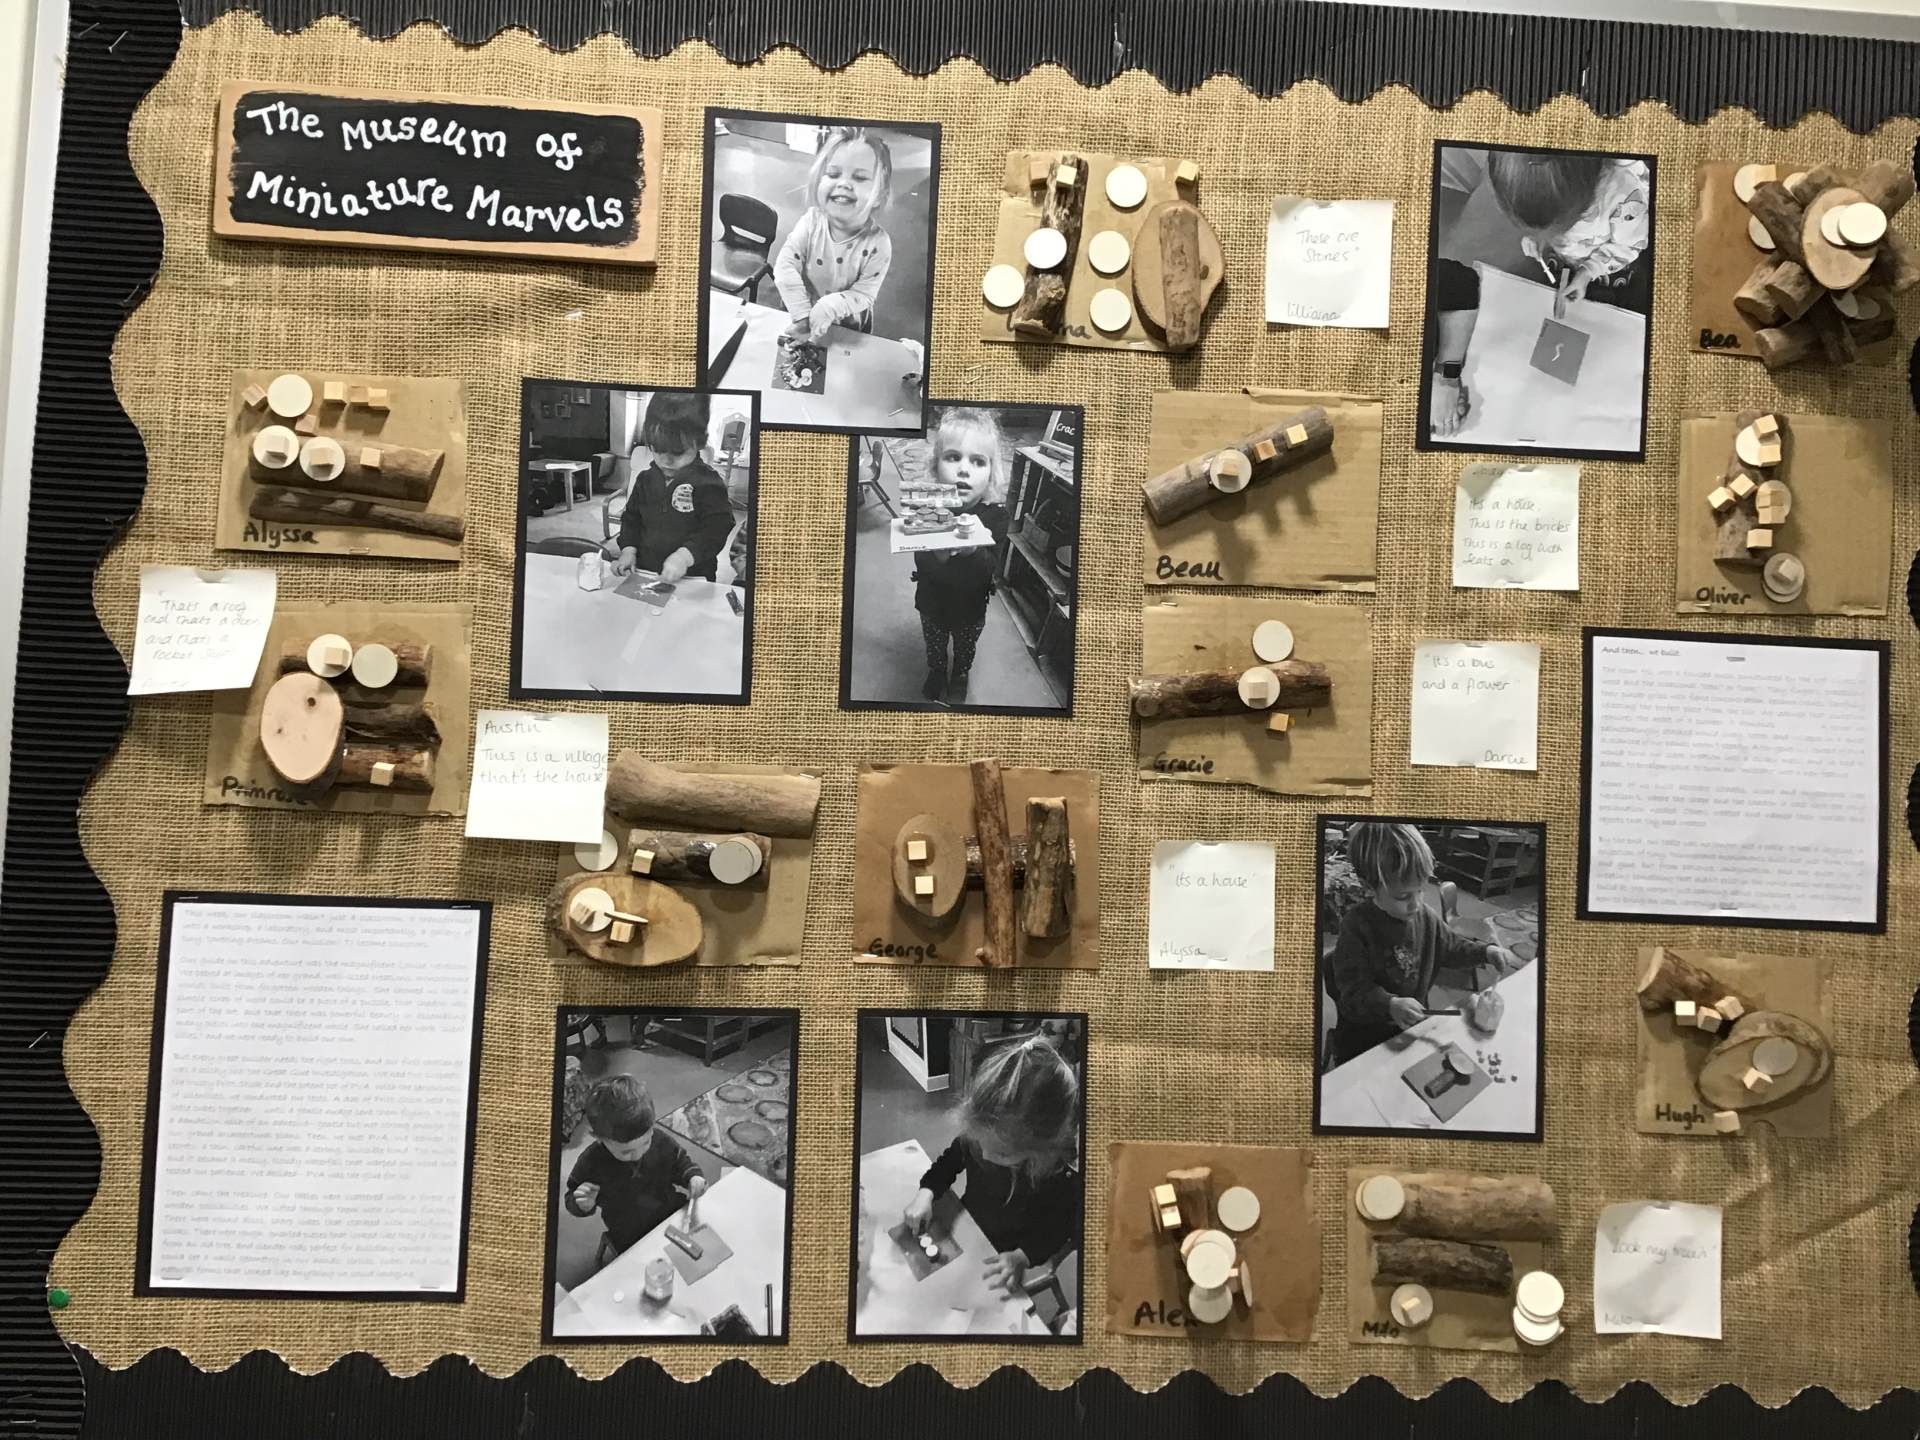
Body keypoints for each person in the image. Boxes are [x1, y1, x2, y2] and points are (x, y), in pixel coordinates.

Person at [1429, 148, 1650, 438]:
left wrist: (1589, 271)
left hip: (1611, 259)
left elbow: (1628, 247)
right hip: (1569, 251)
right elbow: (1547, 219)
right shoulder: (1544, 194)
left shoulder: (1625, 196)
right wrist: (1539, 238)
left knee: (1610, 297)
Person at [1326, 823, 1528, 1068]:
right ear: (1369, 887)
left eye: (1421, 890)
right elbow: (1352, 990)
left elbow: (1452, 947)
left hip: (1412, 1027)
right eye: (1403, 896)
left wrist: (1485, 951)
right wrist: (1390, 1004)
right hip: (1366, 1036)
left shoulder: (1425, 916)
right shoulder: (1356, 927)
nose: (1416, 904)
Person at [902, 1033, 1080, 1298]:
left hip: (1003, 1254)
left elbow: (1058, 1229)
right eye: (978, 1142)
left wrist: (1021, 1257)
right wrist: (925, 1193)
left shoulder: (1060, 1178)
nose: (984, 1154)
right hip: (967, 1225)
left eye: (1001, 1153)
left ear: (1041, 1152)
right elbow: (949, 1162)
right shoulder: (985, 1133)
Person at [910, 406, 1009, 705]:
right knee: (934, 642)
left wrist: (973, 550)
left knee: (965, 647)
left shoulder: (996, 516)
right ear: (935, 465)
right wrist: (937, 556)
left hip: (971, 607)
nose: (964, 469)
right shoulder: (927, 507)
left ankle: (961, 673)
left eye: (978, 461)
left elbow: (991, 567)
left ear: (991, 473)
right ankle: (937, 670)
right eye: (953, 457)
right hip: (932, 602)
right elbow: (920, 561)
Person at [563, 1074, 707, 1259]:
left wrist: (693, 1177)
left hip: (669, 1209)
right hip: (628, 1229)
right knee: (646, 1265)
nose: (638, 1154)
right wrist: (582, 1204)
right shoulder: (591, 1162)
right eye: (626, 1152)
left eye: (646, 1142)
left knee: (701, 1247)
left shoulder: (660, 1140)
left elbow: (681, 1163)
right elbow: (572, 1196)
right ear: (600, 1139)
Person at [772, 127, 896, 342]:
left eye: (860, 177)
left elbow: (865, 294)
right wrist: (802, 316)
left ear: (879, 195)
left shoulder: (879, 244)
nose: (844, 183)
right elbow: (785, 265)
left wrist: (830, 307)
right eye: (833, 174)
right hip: (800, 313)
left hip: (846, 324)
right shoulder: (810, 222)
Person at [608, 391, 734, 583]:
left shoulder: (710, 484)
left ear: (700, 442)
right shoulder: (644, 480)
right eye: (658, 450)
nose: (666, 461)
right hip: (646, 569)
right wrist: (628, 550)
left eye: (678, 452)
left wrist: (684, 557)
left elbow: (716, 529)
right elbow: (631, 519)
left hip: (693, 574)